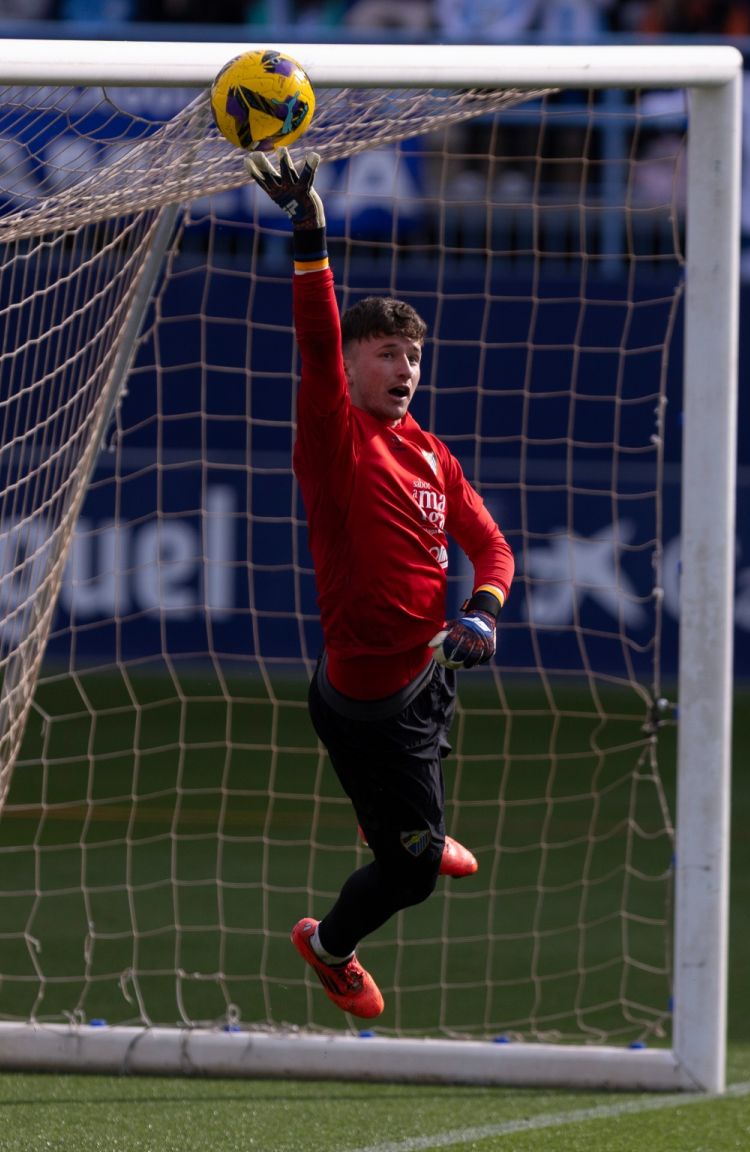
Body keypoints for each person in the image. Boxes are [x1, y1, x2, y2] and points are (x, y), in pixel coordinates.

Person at [247, 152, 516, 1020]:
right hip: (366, 707)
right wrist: (311, 232)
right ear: (355, 367)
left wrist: (481, 613)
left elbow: (495, 549)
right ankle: (328, 947)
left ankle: (405, 826)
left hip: (428, 675)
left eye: (413, 357)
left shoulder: (436, 454)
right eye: (387, 354)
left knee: (413, 816)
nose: (404, 368)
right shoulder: (335, 436)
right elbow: (316, 337)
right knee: (410, 875)